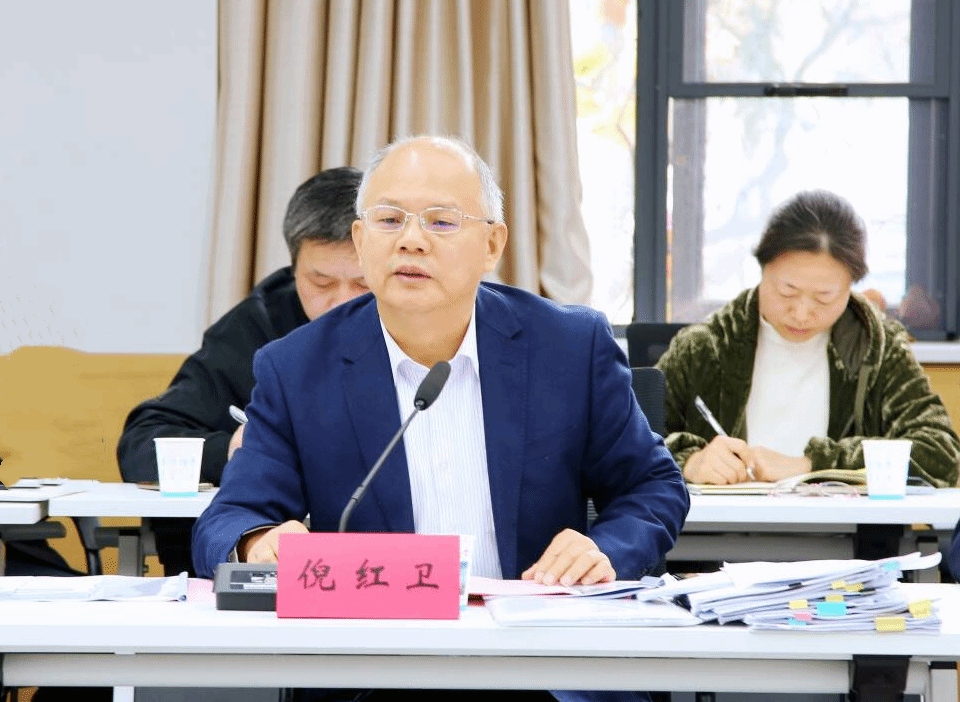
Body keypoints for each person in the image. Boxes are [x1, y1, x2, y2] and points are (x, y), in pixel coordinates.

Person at [192, 135, 689, 702]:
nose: (411, 240)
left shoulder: (569, 346)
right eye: (388, 220)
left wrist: (605, 551)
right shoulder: (296, 367)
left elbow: (652, 486)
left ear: (492, 243)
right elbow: (229, 517)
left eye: (442, 222)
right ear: (361, 239)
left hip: (543, 662)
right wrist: (258, 542)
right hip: (376, 671)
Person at [117, 167, 366, 575]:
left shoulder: (418, 323)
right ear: (293, 269)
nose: (342, 303)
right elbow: (142, 444)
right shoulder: (258, 325)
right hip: (272, 561)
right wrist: (238, 449)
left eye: (363, 284)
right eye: (321, 283)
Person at [656, 189, 960, 489]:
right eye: (787, 291)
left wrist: (812, 465)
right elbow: (634, 444)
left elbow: (941, 453)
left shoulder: (874, 346)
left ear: (851, 287)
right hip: (725, 522)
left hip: (843, 522)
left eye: (824, 298)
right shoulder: (705, 347)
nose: (801, 314)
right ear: (763, 269)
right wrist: (690, 461)